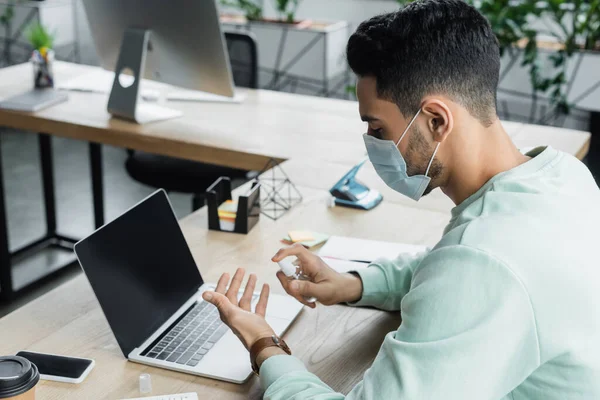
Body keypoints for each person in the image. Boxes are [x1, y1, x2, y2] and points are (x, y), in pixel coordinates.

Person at [201, 0, 600, 398]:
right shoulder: (561, 175)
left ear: (437, 120)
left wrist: (263, 343)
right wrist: (352, 285)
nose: (374, 145)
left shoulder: (483, 262)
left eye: (377, 128)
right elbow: (444, 268)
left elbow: (473, 271)